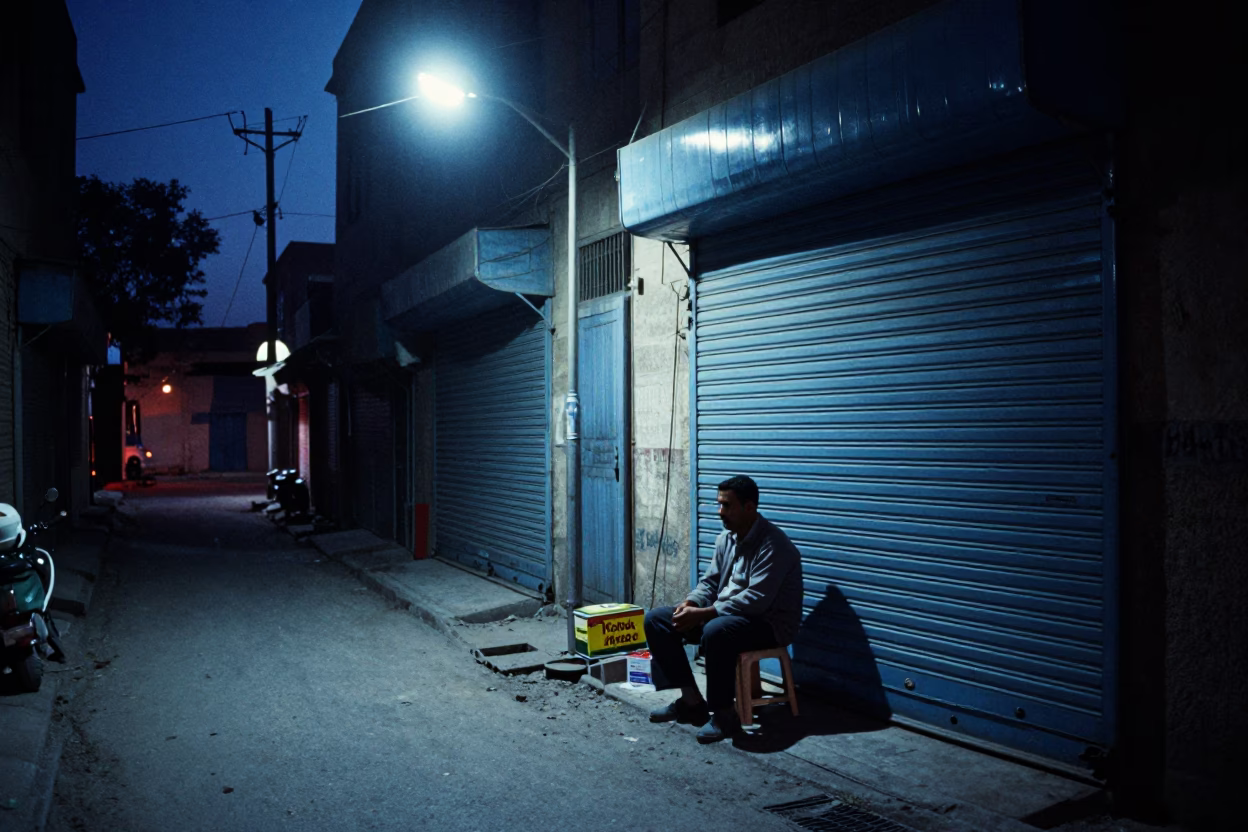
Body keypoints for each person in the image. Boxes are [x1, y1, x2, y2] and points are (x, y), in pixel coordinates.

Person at [643, 474, 803, 743]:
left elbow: (756, 600)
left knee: (717, 631)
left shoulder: (775, 545)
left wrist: (706, 613)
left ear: (749, 507)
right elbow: (710, 583)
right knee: (658, 619)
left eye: (727, 506)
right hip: (726, 616)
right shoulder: (726, 539)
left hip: (768, 624)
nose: (720, 512)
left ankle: (724, 714)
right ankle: (692, 701)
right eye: (719, 505)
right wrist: (691, 604)